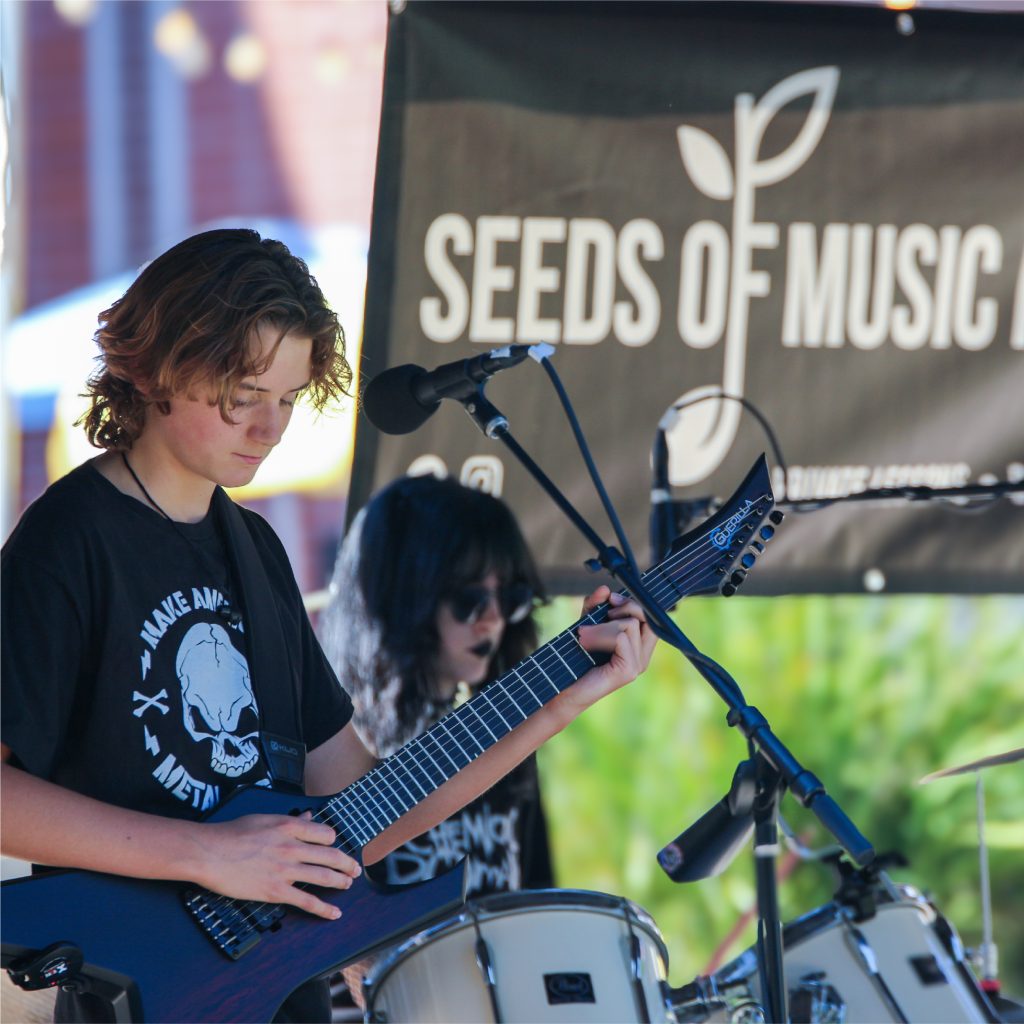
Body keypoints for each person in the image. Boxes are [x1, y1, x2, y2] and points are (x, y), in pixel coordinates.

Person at [0, 228, 656, 1024]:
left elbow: (358, 812)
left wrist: (564, 694)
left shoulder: (255, 550)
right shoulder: (67, 542)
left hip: (278, 993)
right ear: (156, 366)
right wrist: (208, 854)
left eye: (288, 399)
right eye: (244, 397)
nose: (270, 428)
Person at [320, 474, 556, 899]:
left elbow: (541, 900)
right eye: (470, 599)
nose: (493, 619)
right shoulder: (334, 752)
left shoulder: (501, 731)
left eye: (509, 596)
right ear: (407, 597)